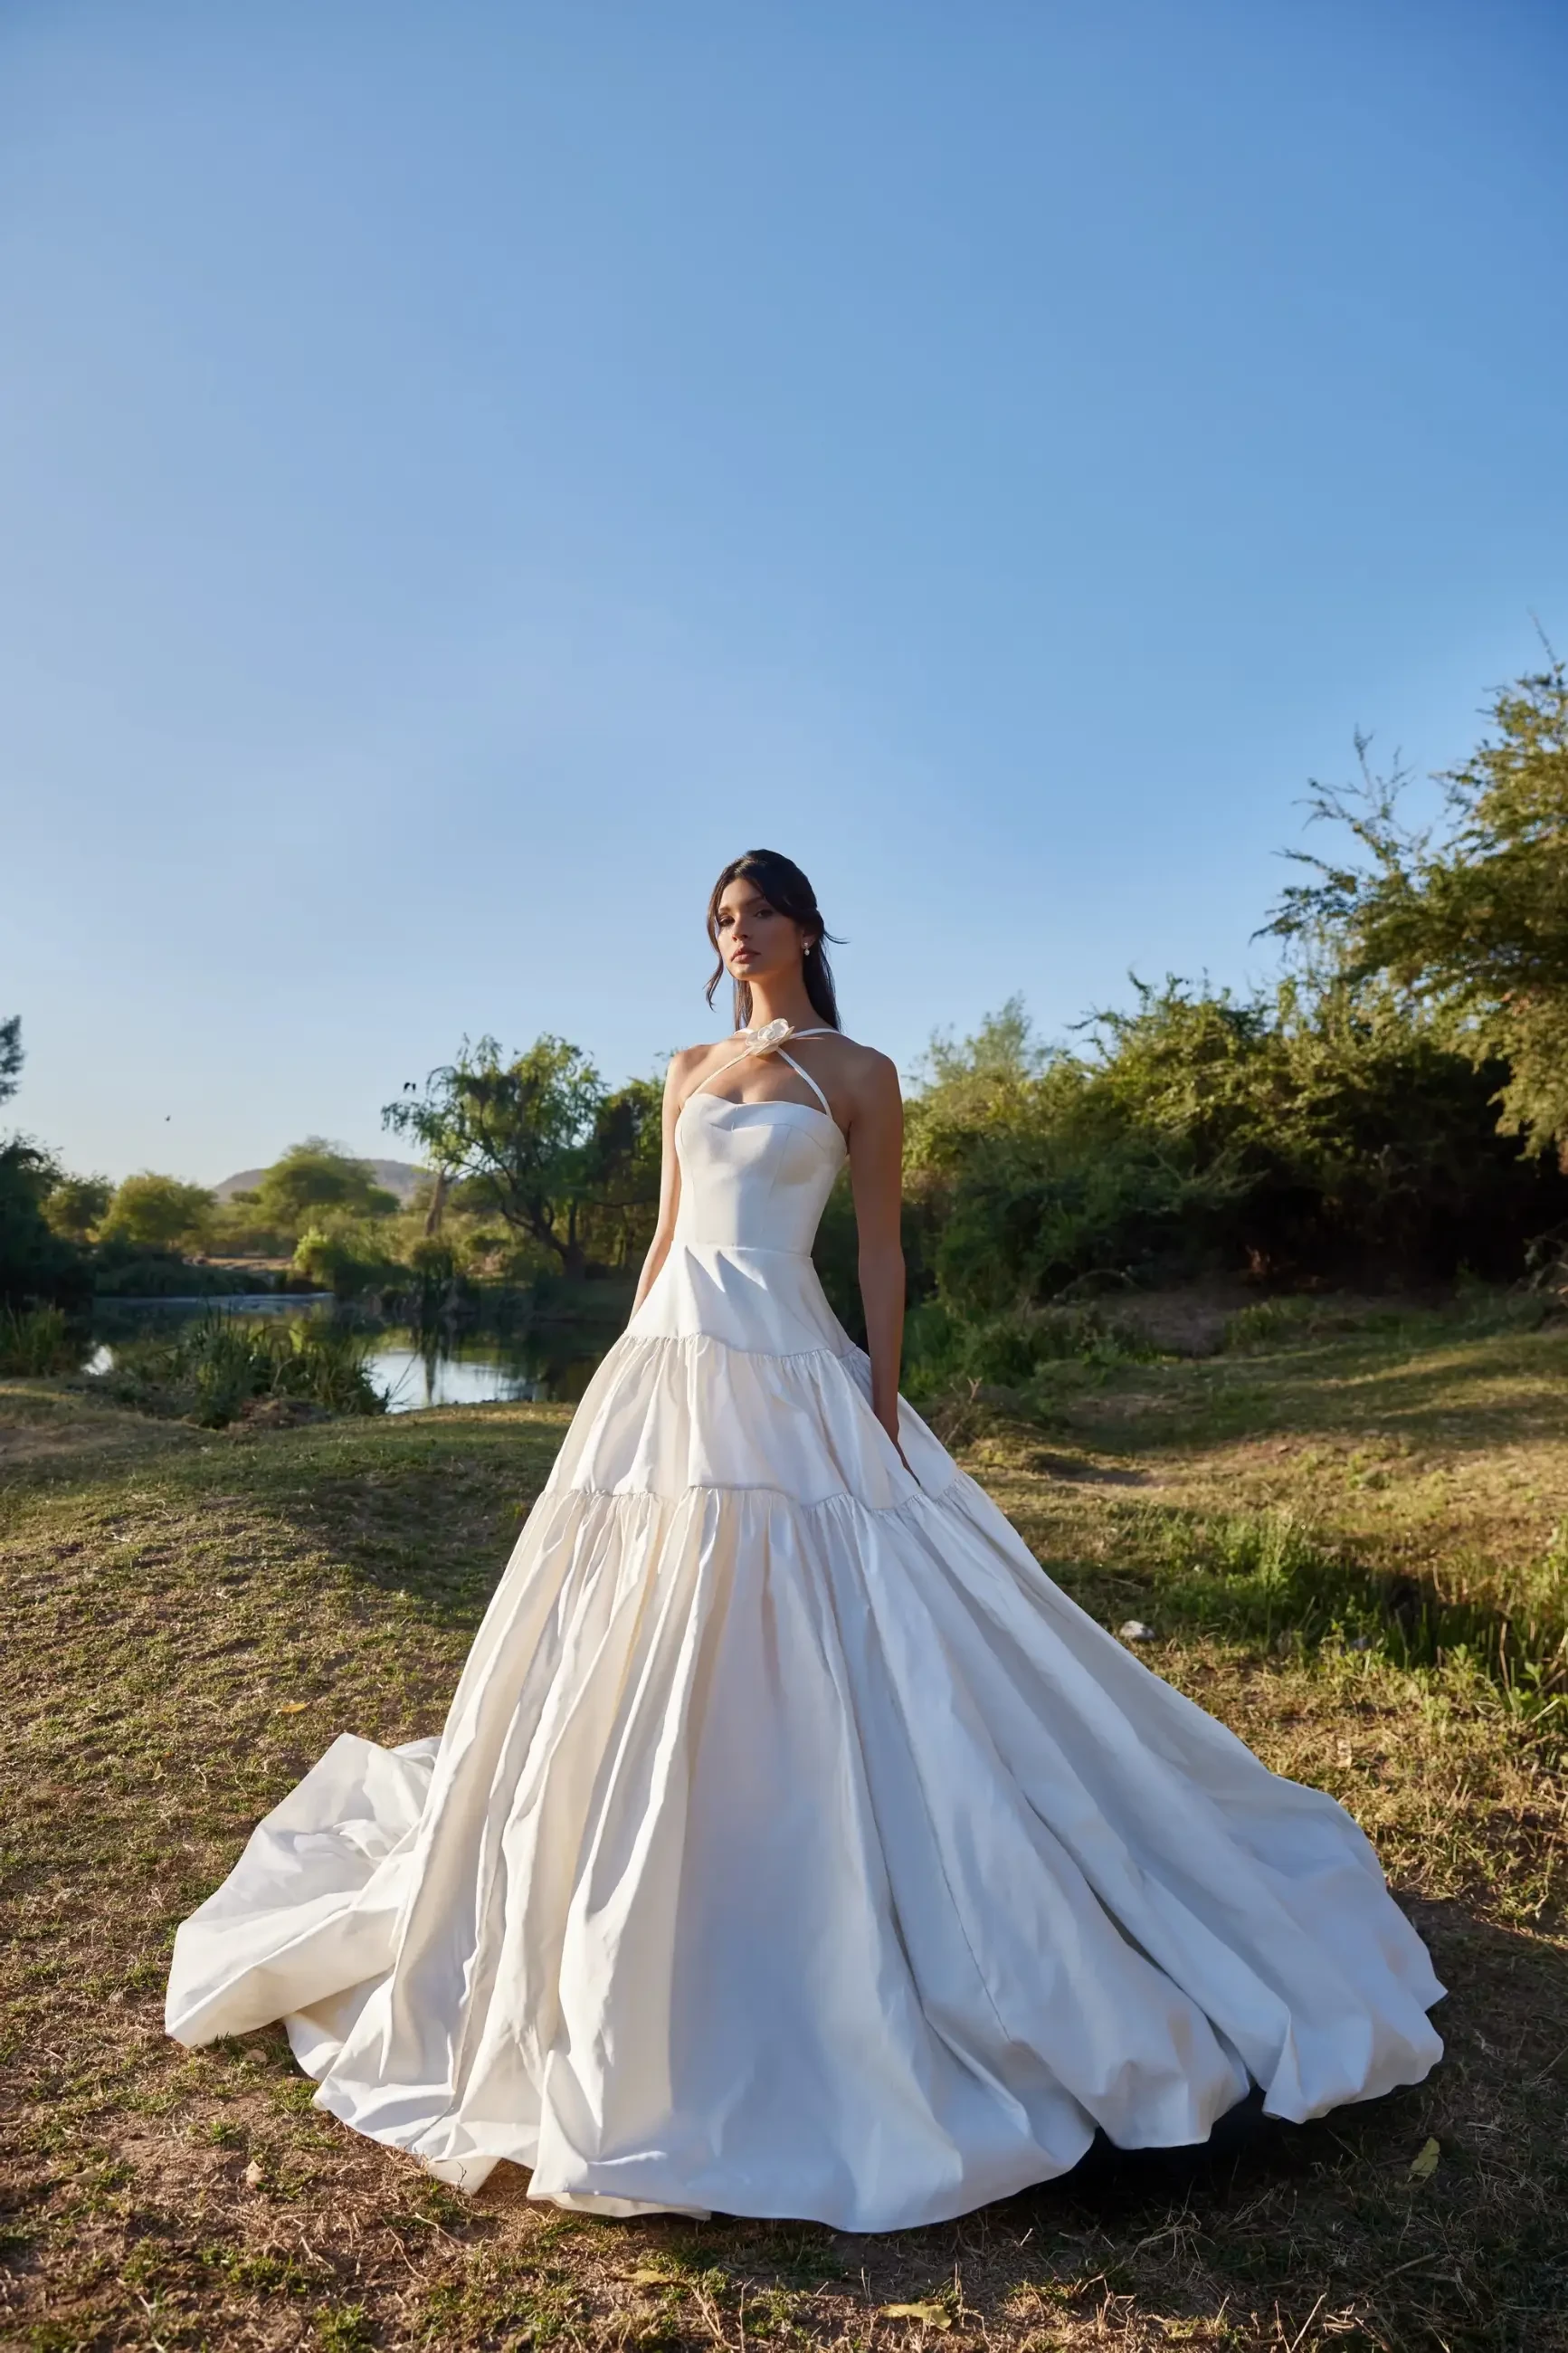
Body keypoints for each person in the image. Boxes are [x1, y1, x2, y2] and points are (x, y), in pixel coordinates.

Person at [166, 848, 1442, 2232]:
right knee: (632, 1612)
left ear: (805, 926)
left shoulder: (861, 1074)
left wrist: (881, 1406)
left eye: (758, 912)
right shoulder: (684, 1070)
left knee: (839, 1605)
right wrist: (621, 1380)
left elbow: (877, 1253)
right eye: (720, 918)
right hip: (671, 1369)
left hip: (792, 1357)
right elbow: (665, 1241)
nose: (738, 933)